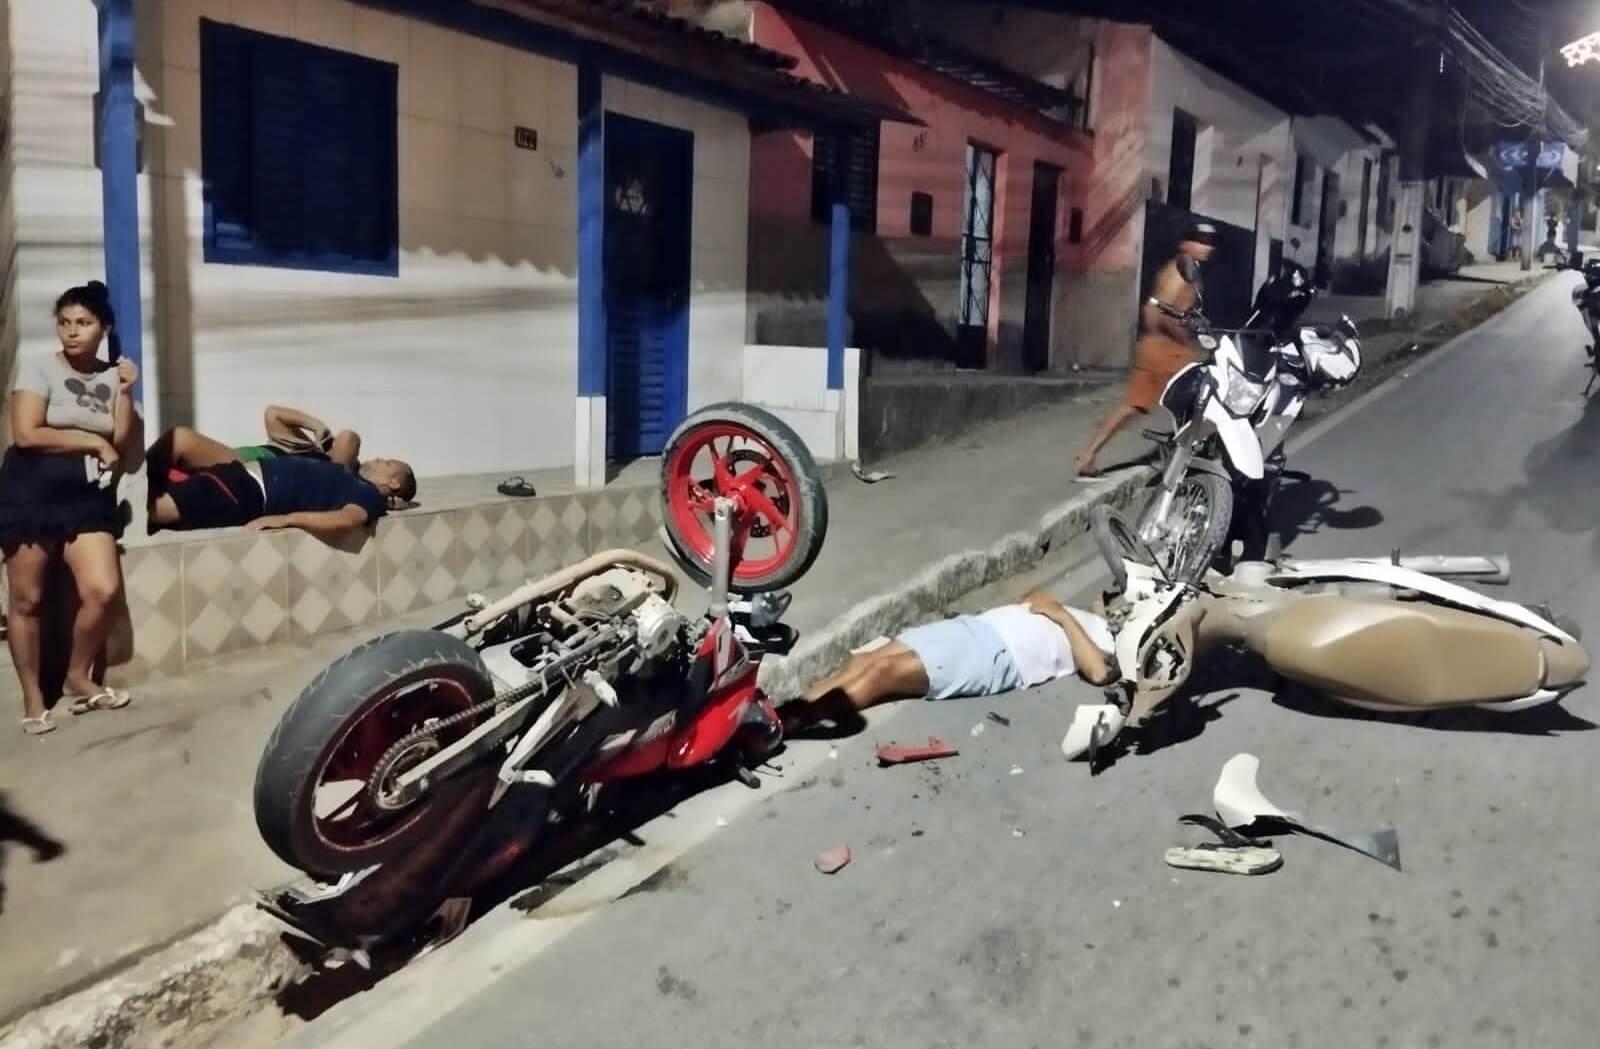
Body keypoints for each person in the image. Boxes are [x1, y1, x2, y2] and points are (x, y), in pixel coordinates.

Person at [0, 281, 142, 736]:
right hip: (32, 492)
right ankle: (33, 696)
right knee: (28, 599)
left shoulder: (112, 377)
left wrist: (126, 392)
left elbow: (120, 442)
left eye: (83, 323)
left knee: (102, 590)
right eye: (64, 322)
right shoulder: (39, 368)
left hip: (86, 497)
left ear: (104, 329)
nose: (72, 331)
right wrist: (90, 441)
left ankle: (77, 676)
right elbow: (26, 433)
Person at [777, 588, 1117, 737]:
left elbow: (1099, 672)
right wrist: (1043, 601)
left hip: (998, 654)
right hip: (975, 627)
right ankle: (777, 716)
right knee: (864, 660)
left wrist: (1060, 614)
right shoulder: (1093, 616)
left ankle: (784, 729)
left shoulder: (1110, 639)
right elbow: (1027, 597)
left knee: (883, 673)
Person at [1075, 222, 1217, 477]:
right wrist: (1185, 340)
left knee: (1145, 406)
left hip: (1167, 349)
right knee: (1194, 399)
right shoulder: (1179, 271)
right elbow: (1157, 313)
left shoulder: (1188, 270)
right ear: (1184, 244)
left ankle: (1091, 454)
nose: (1206, 247)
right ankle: (1090, 454)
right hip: (1166, 350)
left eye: (1209, 242)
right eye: (1200, 241)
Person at [147, 443, 416, 541]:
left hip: (249, 491)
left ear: (393, 482)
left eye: (386, 463)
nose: (378, 459)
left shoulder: (369, 495)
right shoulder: (353, 478)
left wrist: (287, 519)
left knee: (158, 509)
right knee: (155, 494)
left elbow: (348, 519)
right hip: (241, 477)